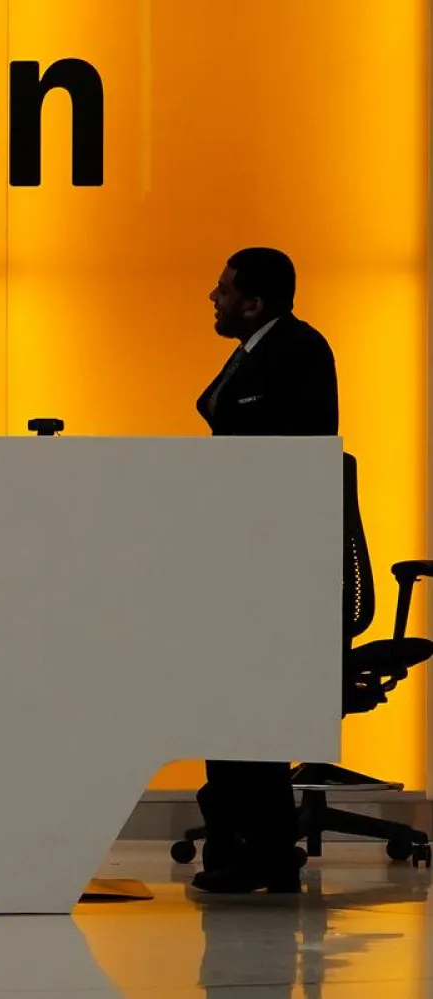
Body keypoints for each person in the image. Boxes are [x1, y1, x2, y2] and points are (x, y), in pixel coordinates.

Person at [191, 248, 338, 894]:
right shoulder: (255, 350)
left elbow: (285, 457)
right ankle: (248, 842)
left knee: (245, 698)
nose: (213, 298)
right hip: (242, 554)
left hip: (271, 559)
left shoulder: (297, 351)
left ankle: (259, 847)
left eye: (224, 290)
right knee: (230, 695)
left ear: (254, 302)